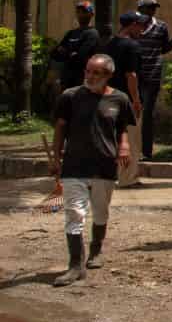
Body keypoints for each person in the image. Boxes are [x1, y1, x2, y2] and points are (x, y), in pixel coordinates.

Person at [49, 54, 137, 287]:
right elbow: (60, 128)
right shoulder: (70, 96)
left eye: (96, 73)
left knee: (100, 212)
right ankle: (75, 266)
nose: (90, 76)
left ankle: (96, 251)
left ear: (108, 75)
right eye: (88, 71)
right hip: (74, 165)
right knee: (74, 213)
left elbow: (122, 127)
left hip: (104, 165)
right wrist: (56, 157)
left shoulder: (119, 99)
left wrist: (124, 145)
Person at [131, 0, 172, 161]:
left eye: (153, 8)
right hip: (135, 76)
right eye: (148, 8)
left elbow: (164, 48)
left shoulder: (161, 26)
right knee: (133, 113)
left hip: (153, 76)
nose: (151, 11)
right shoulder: (133, 26)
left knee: (148, 113)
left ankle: (147, 152)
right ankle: (132, 148)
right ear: (140, 9)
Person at [49, 0, 101, 94]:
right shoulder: (71, 33)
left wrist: (65, 52)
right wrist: (70, 53)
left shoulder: (92, 34)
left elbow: (80, 56)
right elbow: (54, 54)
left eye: (84, 12)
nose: (81, 14)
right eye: (78, 12)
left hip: (82, 79)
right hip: (66, 79)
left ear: (91, 14)